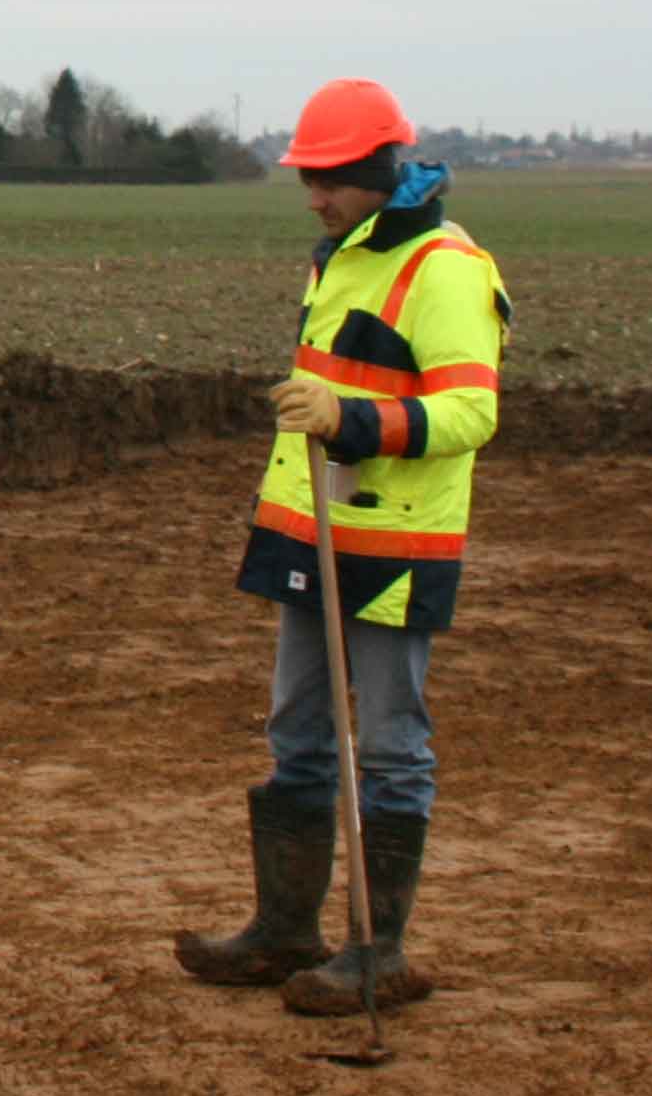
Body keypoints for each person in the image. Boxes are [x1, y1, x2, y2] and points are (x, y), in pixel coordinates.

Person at [174, 78, 508, 1016]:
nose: (313, 197)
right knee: (297, 734)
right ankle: (286, 930)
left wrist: (352, 419)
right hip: (308, 532)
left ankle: (379, 950)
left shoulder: (444, 268)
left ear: (377, 171)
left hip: (396, 543)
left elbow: (472, 410)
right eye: (307, 181)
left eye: (327, 180)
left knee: (392, 745)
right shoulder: (337, 261)